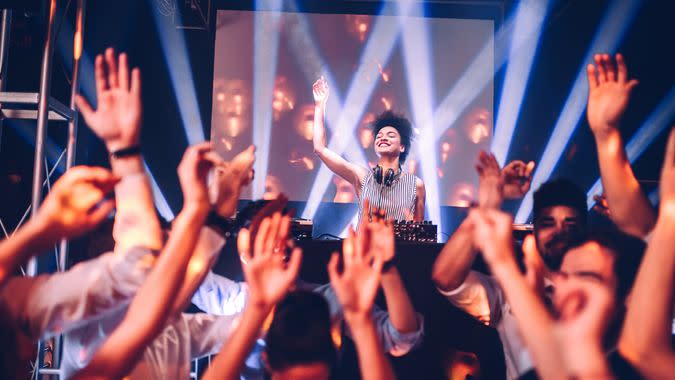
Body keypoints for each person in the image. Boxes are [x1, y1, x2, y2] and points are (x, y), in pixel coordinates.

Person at [202, 212, 397, 380]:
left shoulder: (326, 298)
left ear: (266, 361)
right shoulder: (233, 298)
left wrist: (257, 308)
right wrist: (362, 323)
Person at [312, 76, 425, 224]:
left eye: (390, 135)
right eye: (379, 135)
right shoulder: (362, 176)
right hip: (366, 246)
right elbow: (320, 149)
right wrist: (320, 105)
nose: (383, 138)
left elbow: (420, 231)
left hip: (399, 247)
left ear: (402, 146)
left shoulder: (416, 185)